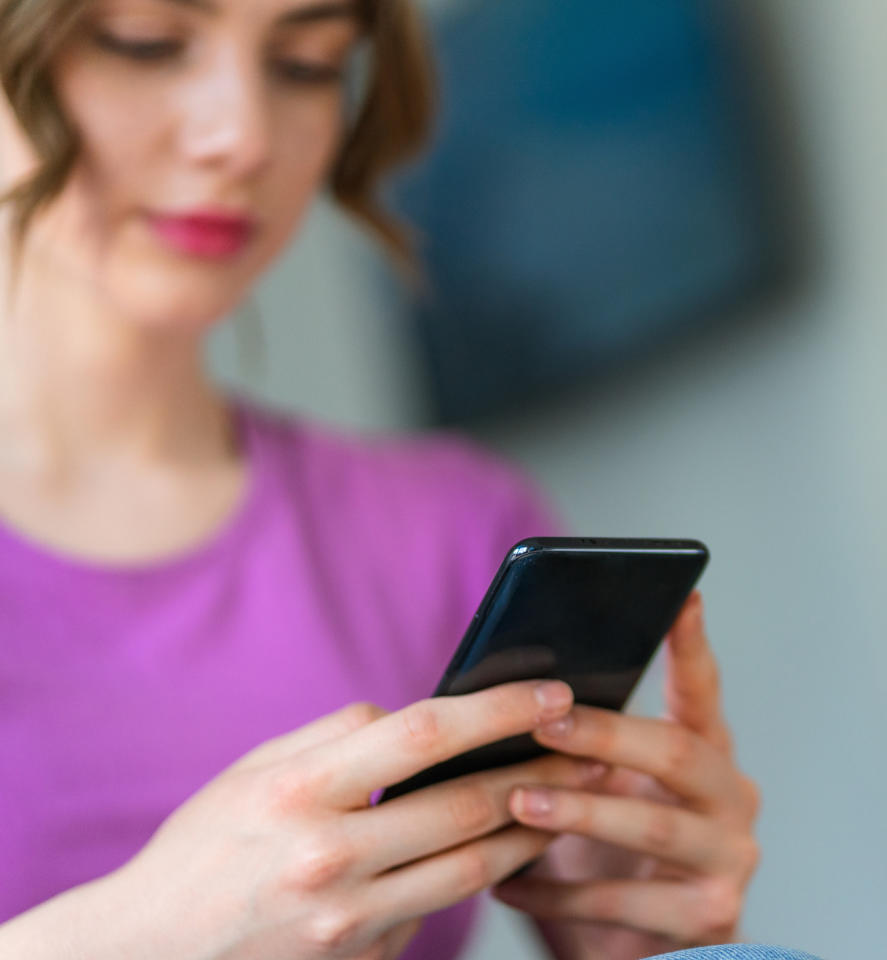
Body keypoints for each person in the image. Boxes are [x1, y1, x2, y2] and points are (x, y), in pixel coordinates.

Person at [0, 1, 761, 959]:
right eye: (147, 42)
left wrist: (634, 930)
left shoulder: (453, 530)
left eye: (308, 65)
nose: (243, 137)